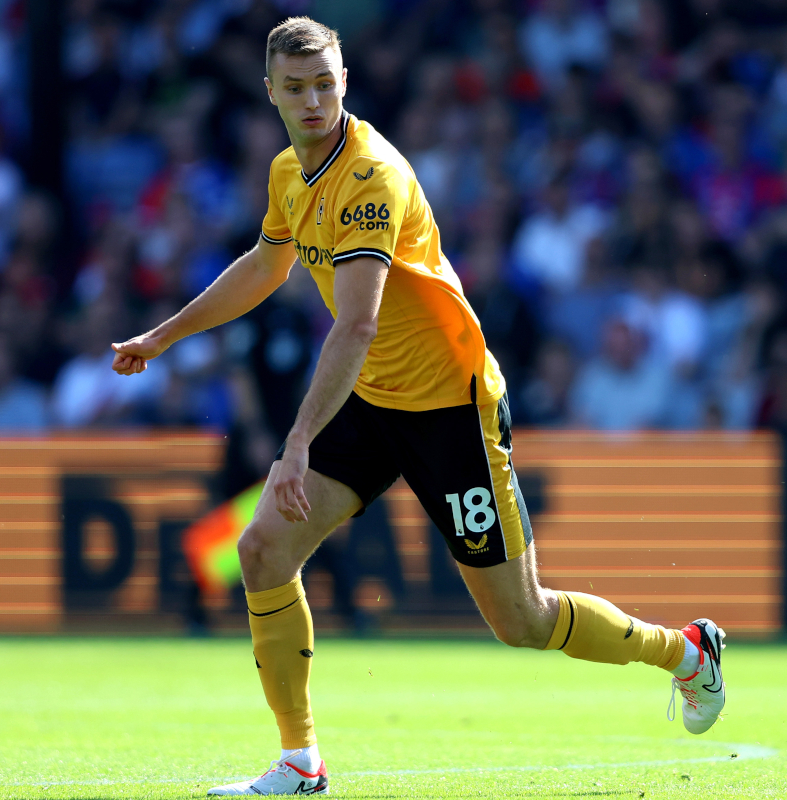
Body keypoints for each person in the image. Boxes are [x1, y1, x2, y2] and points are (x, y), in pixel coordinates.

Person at [111, 18, 725, 796]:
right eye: (295, 88)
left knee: (523, 621)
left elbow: (357, 324)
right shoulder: (288, 174)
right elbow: (267, 264)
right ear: (270, 92)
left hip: (449, 410)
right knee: (262, 551)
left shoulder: (372, 178)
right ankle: (300, 760)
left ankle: (686, 652)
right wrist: (164, 335)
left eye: (324, 84)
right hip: (371, 398)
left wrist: (296, 443)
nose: (312, 101)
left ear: (345, 82)